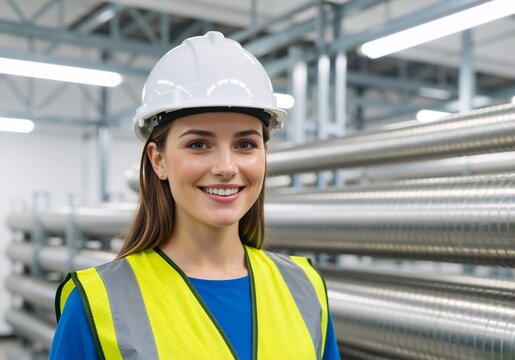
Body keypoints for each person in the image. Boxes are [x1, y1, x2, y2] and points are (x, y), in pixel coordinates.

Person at [49, 31, 341, 360]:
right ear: (158, 160)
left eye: (245, 144)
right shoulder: (97, 305)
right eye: (198, 144)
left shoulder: (305, 288)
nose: (227, 167)